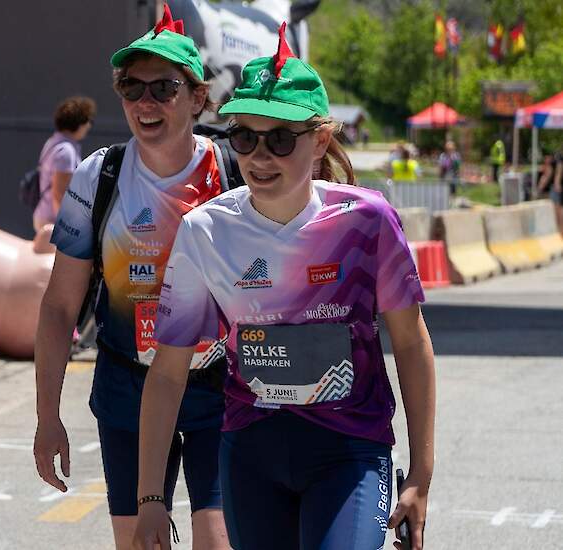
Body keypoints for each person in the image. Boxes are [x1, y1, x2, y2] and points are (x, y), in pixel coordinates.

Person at [133, 24, 435, 550]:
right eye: (245, 138)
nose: (259, 157)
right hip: (252, 453)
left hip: (351, 452)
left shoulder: (366, 222)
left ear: (319, 140)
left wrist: (420, 476)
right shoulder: (204, 231)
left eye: (279, 139)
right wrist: (150, 499)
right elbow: (167, 372)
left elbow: (411, 343)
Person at [34, 6, 230, 549]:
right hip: (129, 385)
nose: (145, 101)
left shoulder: (234, 172)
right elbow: (58, 307)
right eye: (130, 86)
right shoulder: (100, 177)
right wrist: (47, 416)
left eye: (164, 88)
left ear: (196, 98)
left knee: (215, 540)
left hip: (220, 387)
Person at [33, 96, 96, 234]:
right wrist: (67, 229)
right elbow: (59, 193)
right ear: (79, 122)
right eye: (88, 121)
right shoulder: (66, 151)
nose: (89, 126)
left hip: (44, 216)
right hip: (53, 222)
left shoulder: (53, 143)